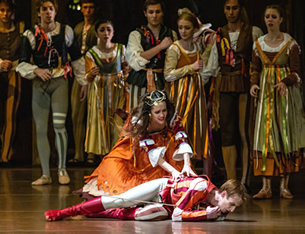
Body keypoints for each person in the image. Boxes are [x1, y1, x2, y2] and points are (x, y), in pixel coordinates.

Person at [16, 0, 85, 185]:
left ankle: (62, 169)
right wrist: (36, 70)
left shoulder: (65, 31)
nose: (48, 12)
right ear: (39, 13)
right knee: (40, 129)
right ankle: (45, 173)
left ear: (55, 12)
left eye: (51, 9)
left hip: (59, 81)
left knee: (59, 126)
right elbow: (21, 62)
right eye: (44, 9)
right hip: (39, 84)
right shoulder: (30, 34)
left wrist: (83, 82)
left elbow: (78, 58)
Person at [78, 90, 196, 199]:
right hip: (137, 144)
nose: (162, 115)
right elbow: (152, 153)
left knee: (176, 160)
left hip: (162, 141)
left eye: (164, 110)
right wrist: (173, 172)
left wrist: (187, 164)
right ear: (149, 113)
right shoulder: (140, 122)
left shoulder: (172, 116)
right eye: (157, 112)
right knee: (118, 168)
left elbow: (182, 140)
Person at [250, 5, 305, 199]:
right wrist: (254, 84)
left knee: (283, 136)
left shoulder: (290, 43)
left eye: (274, 16)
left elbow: (296, 72)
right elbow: (255, 69)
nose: (270, 20)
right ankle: (265, 187)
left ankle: (284, 186)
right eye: (267, 17)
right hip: (266, 94)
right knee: (265, 138)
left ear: (281, 19)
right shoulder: (258, 44)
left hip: (284, 96)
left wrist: (285, 82)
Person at [209, 0, 263, 183]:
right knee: (227, 132)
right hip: (225, 83)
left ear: (240, 9)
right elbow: (212, 64)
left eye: (234, 8)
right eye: (228, 8)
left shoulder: (252, 31)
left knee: (245, 132)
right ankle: (231, 181)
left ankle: (245, 181)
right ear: (224, 10)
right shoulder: (219, 34)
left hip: (244, 83)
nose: (231, 12)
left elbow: (258, 60)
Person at [45, 176, 248, 222]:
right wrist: (205, 214)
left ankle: (100, 212)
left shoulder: (216, 206)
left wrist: (212, 214)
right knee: (121, 200)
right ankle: (66, 212)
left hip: (164, 205)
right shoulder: (202, 188)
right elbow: (178, 214)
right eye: (231, 204)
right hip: (160, 188)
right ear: (222, 194)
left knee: (146, 215)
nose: (231, 210)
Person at [164, 8, 212, 172]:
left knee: (195, 129)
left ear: (194, 29)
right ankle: (175, 167)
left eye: (187, 28)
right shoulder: (175, 49)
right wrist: (189, 68)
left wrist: (209, 49)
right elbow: (168, 75)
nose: (183, 31)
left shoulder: (196, 46)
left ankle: (193, 169)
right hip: (180, 94)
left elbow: (201, 64)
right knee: (179, 127)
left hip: (195, 94)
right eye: (181, 28)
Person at [84, 19, 127, 162]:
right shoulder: (91, 53)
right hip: (100, 91)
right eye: (102, 30)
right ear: (96, 33)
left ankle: (117, 156)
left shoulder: (120, 49)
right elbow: (87, 77)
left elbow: (127, 69)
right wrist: (91, 73)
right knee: (101, 123)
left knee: (117, 123)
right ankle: (104, 158)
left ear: (113, 32)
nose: (106, 33)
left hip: (118, 91)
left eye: (108, 29)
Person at [125, 0, 177, 110]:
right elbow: (135, 60)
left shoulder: (171, 34)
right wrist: (161, 46)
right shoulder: (136, 34)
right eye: (151, 12)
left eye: (157, 12)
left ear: (162, 13)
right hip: (141, 80)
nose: (154, 16)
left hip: (164, 80)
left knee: (163, 114)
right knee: (139, 113)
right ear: (145, 13)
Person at [0, 0, 24, 166]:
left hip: (14, 72)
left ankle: (5, 157)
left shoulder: (20, 29)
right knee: (0, 116)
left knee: (11, 114)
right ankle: (7, 151)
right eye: (2, 10)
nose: (5, 14)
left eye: (8, 11)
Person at [69, 0, 98, 166]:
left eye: (91, 7)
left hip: (94, 73)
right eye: (85, 7)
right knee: (76, 114)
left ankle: (92, 154)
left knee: (92, 115)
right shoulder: (78, 28)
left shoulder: (97, 26)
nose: (88, 10)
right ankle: (79, 153)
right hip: (79, 73)